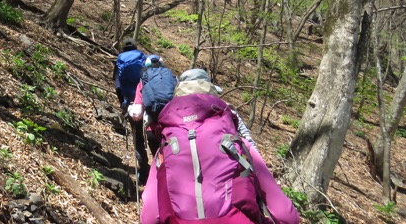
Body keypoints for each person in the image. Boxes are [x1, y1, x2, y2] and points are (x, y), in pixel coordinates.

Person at [140, 68, 298, 224]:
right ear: (214, 98)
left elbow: (149, 215)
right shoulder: (237, 142)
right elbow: (285, 215)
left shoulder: (165, 147)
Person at [113, 38, 151, 185]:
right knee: (152, 135)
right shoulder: (143, 58)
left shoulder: (120, 61)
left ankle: (144, 172)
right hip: (147, 102)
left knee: (138, 137)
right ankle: (159, 170)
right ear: (136, 47)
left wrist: (123, 103)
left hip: (131, 104)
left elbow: (117, 85)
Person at [127, 55, 177, 158]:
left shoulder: (143, 81)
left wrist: (130, 110)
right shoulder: (173, 79)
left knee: (159, 162)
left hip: (153, 129)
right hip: (173, 128)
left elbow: (137, 113)